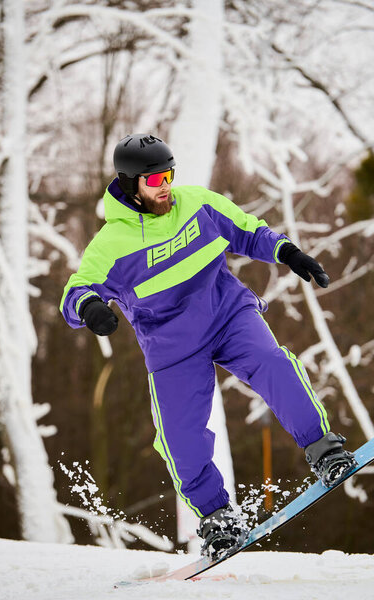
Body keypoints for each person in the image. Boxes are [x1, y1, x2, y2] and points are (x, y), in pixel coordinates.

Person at [60, 133, 356, 558]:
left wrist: (289, 253)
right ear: (129, 184)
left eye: (169, 174)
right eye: (155, 178)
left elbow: (248, 231)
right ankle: (217, 517)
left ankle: (324, 449)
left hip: (227, 314)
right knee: (180, 436)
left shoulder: (196, 203)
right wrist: (89, 307)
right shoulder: (112, 244)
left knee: (274, 363)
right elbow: (76, 290)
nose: (165, 185)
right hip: (172, 346)